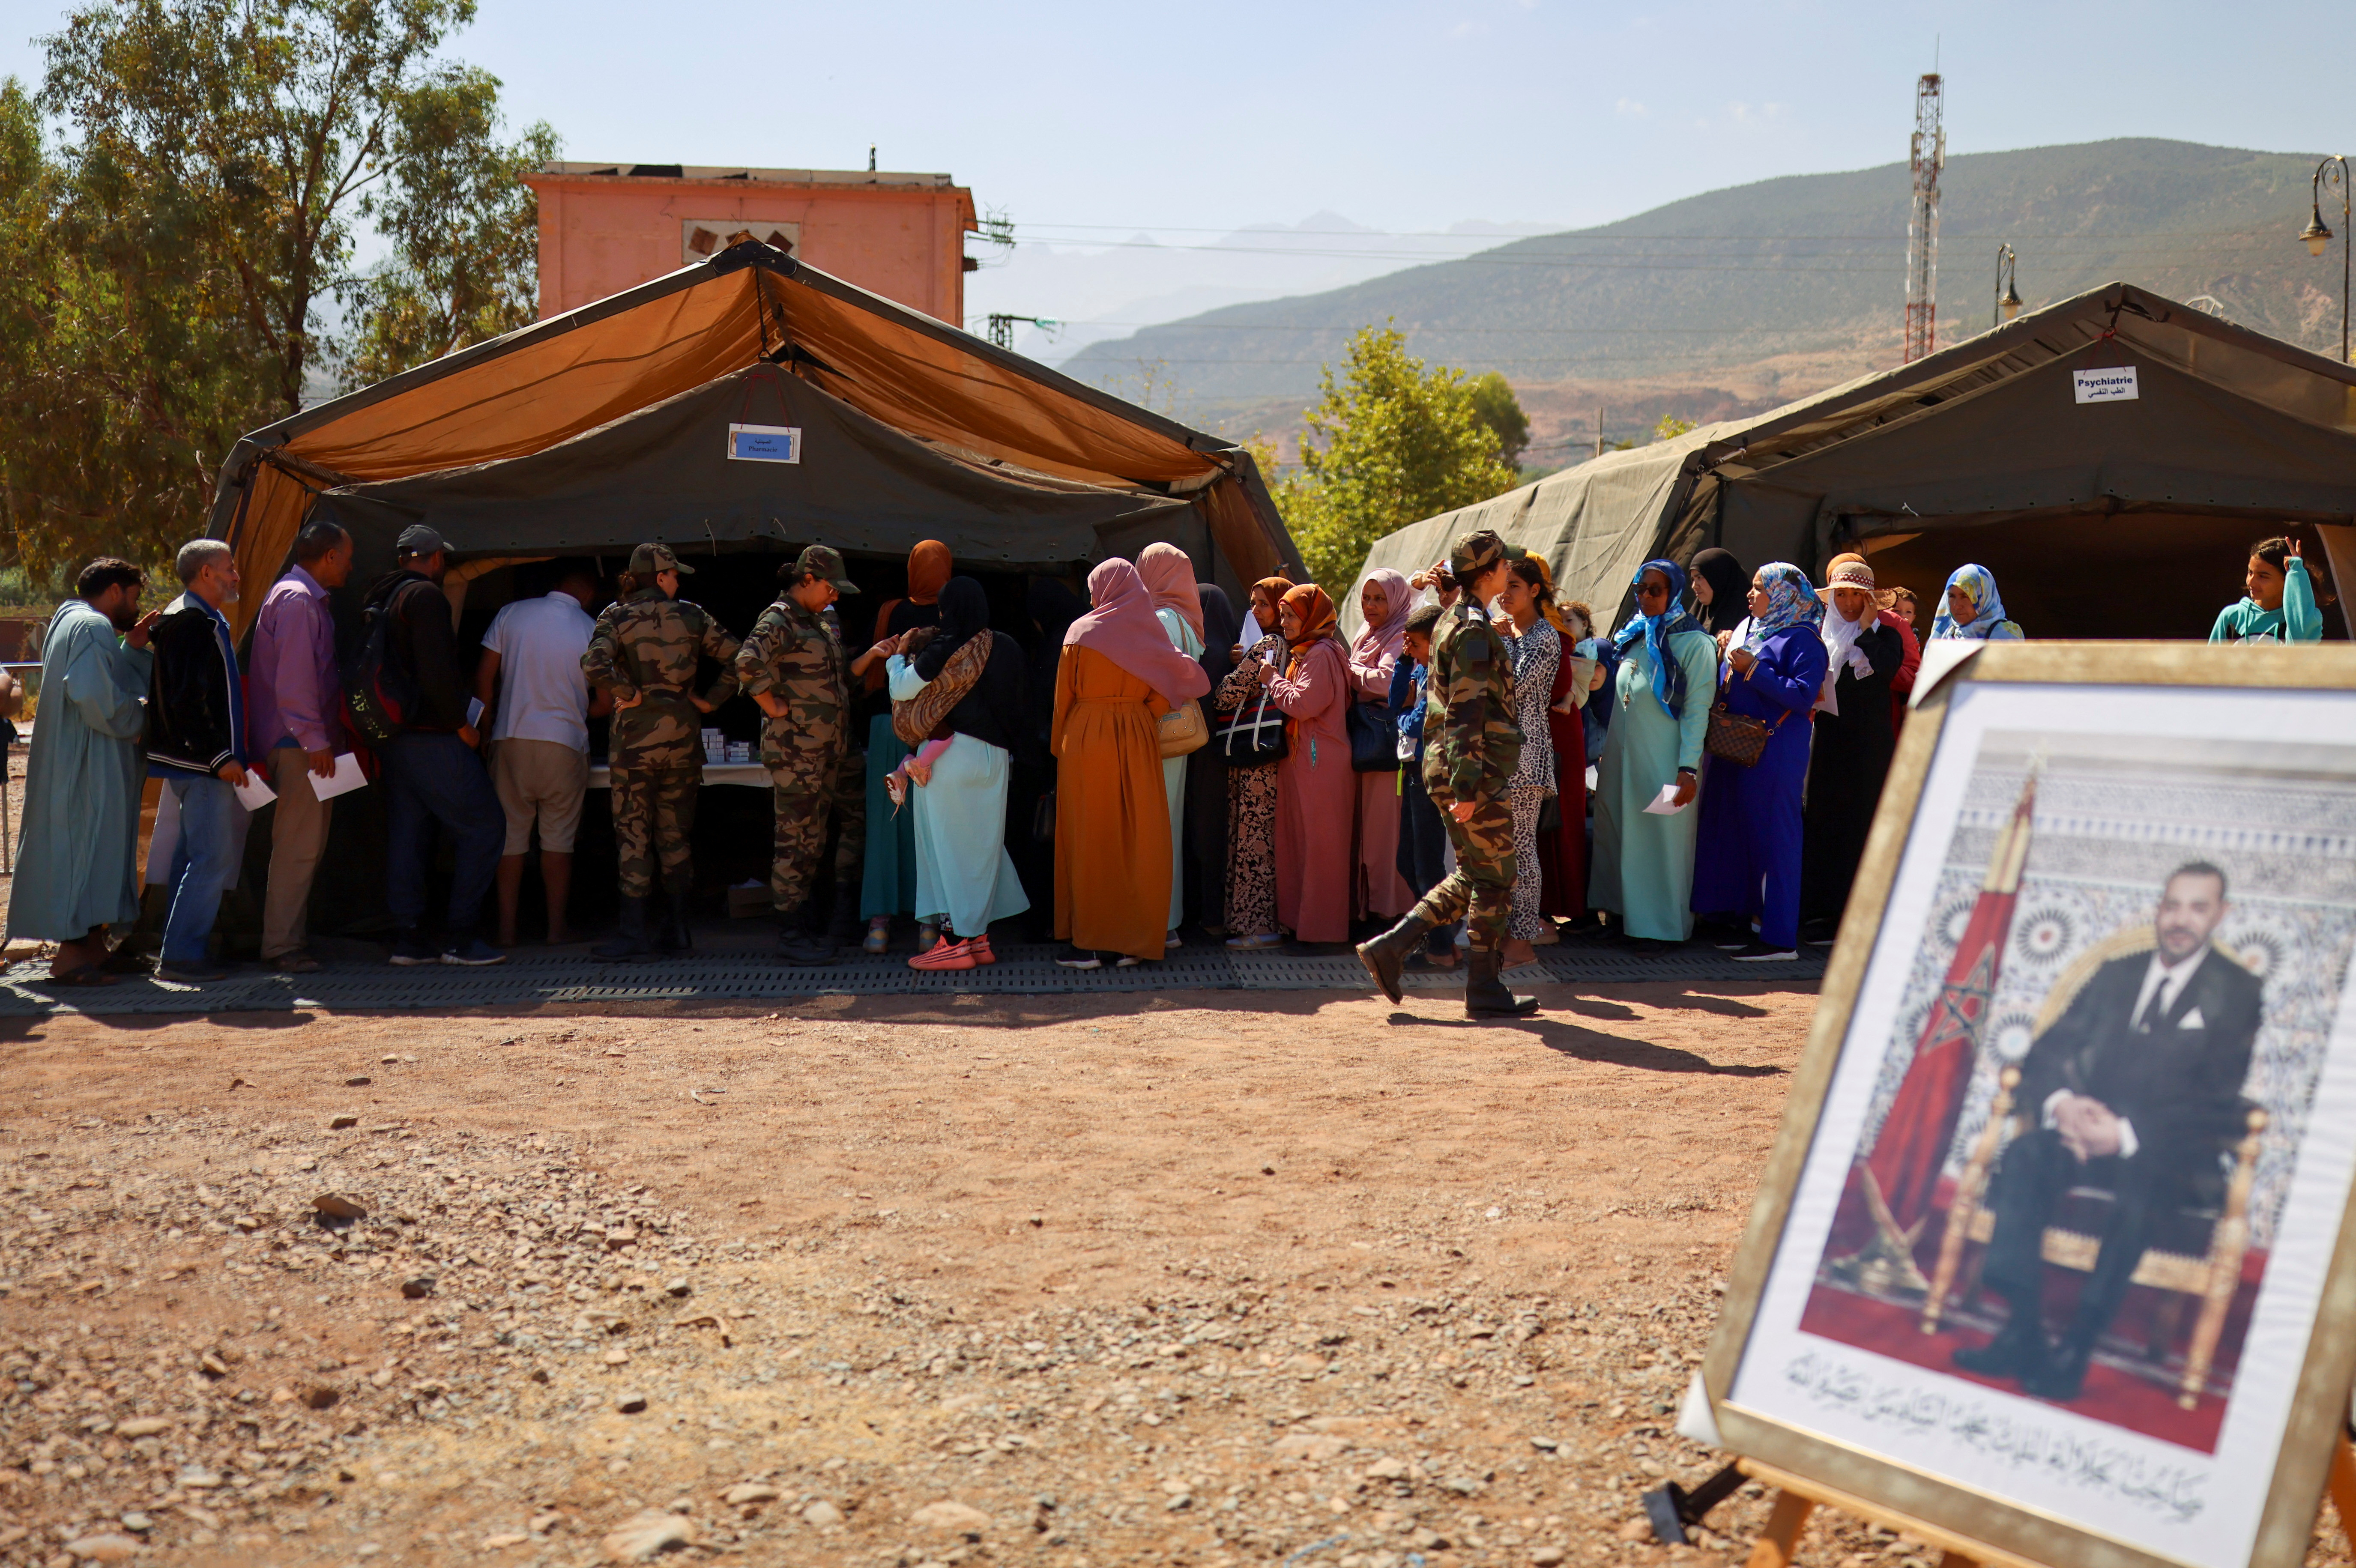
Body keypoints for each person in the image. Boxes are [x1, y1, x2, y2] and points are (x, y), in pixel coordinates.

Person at [1953, 863, 2261, 1402]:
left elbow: (2217, 1098)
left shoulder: (2236, 992)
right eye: (2172, 906)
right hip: (2083, 1132)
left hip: (2166, 1151)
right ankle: (2022, 1329)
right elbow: (2047, 1051)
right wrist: (2064, 1104)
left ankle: (2078, 1342)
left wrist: (2123, 1134)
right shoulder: (2116, 974)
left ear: (2220, 914)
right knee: (2026, 1153)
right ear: (2158, 909)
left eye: (2197, 907)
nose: (2180, 920)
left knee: (2142, 1190)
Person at [1356, 529, 1540, 1018]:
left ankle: (1395, 949)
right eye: (1503, 565)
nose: (1508, 571)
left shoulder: (1453, 620)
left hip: (1453, 764)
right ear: (1486, 574)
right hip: (1470, 771)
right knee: (1497, 877)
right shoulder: (1473, 630)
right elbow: (1465, 710)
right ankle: (1479, 985)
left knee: (1480, 873)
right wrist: (1465, 785)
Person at [581, 542, 741, 960]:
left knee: (633, 833)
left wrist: (629, 691)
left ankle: (634, 933)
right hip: (683, 740)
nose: (677, 581)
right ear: (661, 577)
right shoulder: (692, 615)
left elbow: (594, 664)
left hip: (634, 744)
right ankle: (679, 928)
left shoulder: (616, 616)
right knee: (675, 835)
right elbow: (743, 658)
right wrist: (712, 699)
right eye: (674, 574)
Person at [1052, 558, 1209, 968]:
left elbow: (1063, 698)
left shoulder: (1079, 632)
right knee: (1139, 836)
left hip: (1085, 736)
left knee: (1089, 836)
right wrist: (1140, 710)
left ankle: (1088, 944)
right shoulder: (1151, 631)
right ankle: (1134, 941)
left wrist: (1060, 746)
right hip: (1138, 735)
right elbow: (1171, 689)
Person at [8, 559, 157, 985]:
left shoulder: (71, 621)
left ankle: (94, 949)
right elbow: (95, 694)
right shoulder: (91, 626)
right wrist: (138, 717)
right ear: (113, 591)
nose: (135, 606)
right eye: (132, 597)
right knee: (87, 853)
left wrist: (133, 648)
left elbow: (100, 677)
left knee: (100, 851)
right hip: (86, 765)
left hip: (83, 760)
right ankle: (71, 959)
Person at [365, 525, 507, 966]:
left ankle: (409, 940)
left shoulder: (380, 596)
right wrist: (461, 726)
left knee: (409, 834)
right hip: (432, 737)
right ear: (437, 559)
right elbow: (438, 673)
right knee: (485, 825)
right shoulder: (425, 598)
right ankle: (460, 938)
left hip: (393, 737)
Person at [885, 576, 1032, 969]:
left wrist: (896, 656)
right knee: (983, 848)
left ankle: (954, 941)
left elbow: (902, 689)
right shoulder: (1006, 646)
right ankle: (980, 939)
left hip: (951, 758)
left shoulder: (947, 645)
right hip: (996, 760)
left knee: (947, 850)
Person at [1688, 563, 1826, 962]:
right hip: (1745, 750)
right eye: (1750, 588)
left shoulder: (1805, 640)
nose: (1751, 595)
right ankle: (1751, 921)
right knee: (1748, 836)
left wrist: (1755, 669)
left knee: (1777, 841)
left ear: (1784, 594)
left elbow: (1803, 697)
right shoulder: (1761, 631)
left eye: (1760, 587)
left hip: (1777, 752)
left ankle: (1780, 938)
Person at [735, 546, 860, 964]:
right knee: (795, 842)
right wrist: (772, 706)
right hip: (796, 754)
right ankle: (790, 933)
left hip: (821, 752)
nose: (834, 596)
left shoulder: (815, 621)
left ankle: (804, 927)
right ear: (807, 580)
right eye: (830, 587)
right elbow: (748, 662)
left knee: (813, 840)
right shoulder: (781, 618)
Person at [1591, 558, 1718, 948]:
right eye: (1640, 590)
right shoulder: (1633, 636)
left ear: (1674, 592)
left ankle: (1661, 927)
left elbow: (1698, 710)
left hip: (1667, 760)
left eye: (1655, 590)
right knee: (1618, 832)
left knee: (1660, 837)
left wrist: (1687, 768)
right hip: (1622, 758)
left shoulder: (1695, 643)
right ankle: (1622, 915)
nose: (1645, 597)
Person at [476, 562, 602, 947]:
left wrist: (485, 730)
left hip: (510, 738)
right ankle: (556, 930)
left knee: (511, 842)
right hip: (563, 745)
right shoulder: (591, 628)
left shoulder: (511, 614)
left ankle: (508, 931)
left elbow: (483, 677)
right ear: (588, 596)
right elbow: (607, 702)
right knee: (558, 842)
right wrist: (577, 712)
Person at [247, 519, 353, 974]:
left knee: (306, 844)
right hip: (299, 745)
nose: (351, 567)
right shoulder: (297, 600)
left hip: (302, 743)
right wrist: (315, 741)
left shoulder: (301, 598)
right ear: (330, 557)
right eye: (348, 558)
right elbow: (295, 683)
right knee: (298, 846)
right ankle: (282, 947)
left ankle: (290, 940)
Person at [144, 540, 251, 984]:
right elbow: (188, 699)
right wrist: (217, 756)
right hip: (201, 765)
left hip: (191, 762)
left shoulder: (192, 618)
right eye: (229, 568)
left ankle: (182, 948)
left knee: (194, 854)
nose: (236, 576)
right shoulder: (191, 623)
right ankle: (184, 955)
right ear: (206, 573)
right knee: (211, 857)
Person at [849, 540, 951, 950]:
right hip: (935, 732)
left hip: (888, 724)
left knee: (884, 824)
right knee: (928, 827)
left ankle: (879, 926)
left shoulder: (891, 611)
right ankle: (929, 927)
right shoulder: (952, 613)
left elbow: (873, 672)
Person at [1799, 556, 1904, 944]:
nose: (1846, 603)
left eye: (1856, 596)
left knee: (1862, 826)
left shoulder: (1886, 636)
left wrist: (1865, 629)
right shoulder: (1820, 637)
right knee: (1826, 820)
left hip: (1868, 749)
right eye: (1840, 594)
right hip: (1828, 743)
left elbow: (1889, 669)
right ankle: (1821, 912)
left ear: (1870, 600)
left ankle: (1855, 917)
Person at [1255, 582, 1353, 953]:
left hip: (1321, 762)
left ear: (1311, 616)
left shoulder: (1321, 654)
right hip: (1308, 760)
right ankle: (1305, 926)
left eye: (1292, 615)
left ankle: (1323, 933)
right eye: (1283, 615)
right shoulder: (1307, 653)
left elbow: (1303, 703)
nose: (1286, 621)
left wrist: (1271, 679)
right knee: (1303, 844)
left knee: (1321, 848)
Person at [1212, 577, 1293, 950]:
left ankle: (1257, 925)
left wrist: (1237, 665)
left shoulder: (1269, 643)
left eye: (1264, 604)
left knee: (1252, 837)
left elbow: (1225, 696)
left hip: (1255, 758)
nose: (1255, 611)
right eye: (1253, 603)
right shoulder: (1293, 642)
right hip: (1269, 754)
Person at [1138, 542, 1206, 944]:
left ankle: (1157, 922)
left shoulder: (1161, 618)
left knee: (1152, 829)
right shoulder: (1188, 619)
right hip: (1176, 739)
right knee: (1170, 826)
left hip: (1155, 732)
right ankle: (1169, 920)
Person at [1495, 557, 1561, 967]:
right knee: (1501, 849)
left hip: (1527, 754)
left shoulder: (1544, 636)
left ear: (1535, 591)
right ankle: (1504, 934)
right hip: (1500, 755)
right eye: (1503, 586)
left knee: (1521, 848)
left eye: (1514, 586)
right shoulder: (1512, 633)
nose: (1505, 594)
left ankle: (1521, 940)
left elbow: (1513, 686)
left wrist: (1496, 641)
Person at [1346, 567, 1416, 925]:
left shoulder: (1401, 633)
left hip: (1387, 747)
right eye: (1366, 598)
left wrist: (1348, 671)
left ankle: (1393, 914)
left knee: (1386, 834)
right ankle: (1372, 907)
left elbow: (1390, 682)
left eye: (1380, 599)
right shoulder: (1367, 633)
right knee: (1370, 834)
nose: (1371, 606)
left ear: (1397, 600)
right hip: (1366, 743)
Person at [1389, 601, 1457, 969]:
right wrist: (1403, 663)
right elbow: (1393, 703)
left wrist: (1403, 715)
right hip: (1413, 771)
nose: (1408, 649)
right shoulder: (1419, 667)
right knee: (1408, 860)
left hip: (1431, 774)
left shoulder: (1440, 673)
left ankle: (1442, 946)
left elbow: (1413, 724)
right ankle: (1443, 938)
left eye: (1414, 644)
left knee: (1426, 864)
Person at [1183, 585, 1243, 935]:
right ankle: (1215, 916)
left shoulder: (1198, 650)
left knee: (1196, 830)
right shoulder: (1234, 651)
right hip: (1226, 754)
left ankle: (1195, 913)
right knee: (1218, 833)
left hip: (1194, 753)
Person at [1540, 597, 1601, 929]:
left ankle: (1574, 905)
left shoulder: (1583, 647)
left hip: (1570, 741)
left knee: (1563, 822)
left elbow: (1575, 686)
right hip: (1556, 738)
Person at [2211, 535, 2324, 644]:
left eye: (2263, 576)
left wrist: (2297, 573)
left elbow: (2301, 640)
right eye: (2250, 573)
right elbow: (2212, 660)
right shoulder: (2232, 616)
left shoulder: (2303, 619)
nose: (2251, 582)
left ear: (2287, 580)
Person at [1931, 564, 2025, 641]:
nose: (1956, 606)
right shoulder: (1945, 634)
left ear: (1984, 598)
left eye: (1965, 596)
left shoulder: (2006, 636)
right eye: (1952, 596)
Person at [1884, 584, 1923, 729]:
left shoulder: (1913, 638)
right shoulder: (1883, 635)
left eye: (1908, 612)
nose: (1903, 617)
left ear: (1914, 616)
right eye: (1897, 611)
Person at [1687, 547, 1749, 638]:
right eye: (1693, 580)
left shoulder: (1751, 618)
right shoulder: (1696, 618)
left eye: (1700, 577)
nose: (1694, 586)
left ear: (1720, 577)